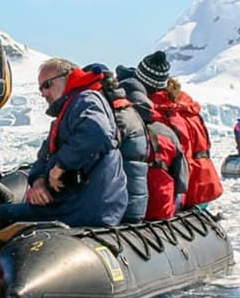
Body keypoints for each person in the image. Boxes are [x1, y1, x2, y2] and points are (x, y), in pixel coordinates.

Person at [0, 59, 128, 227]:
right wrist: (38, 181)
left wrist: (60, 166)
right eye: (40, 88)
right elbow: (43, 157)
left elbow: (97, 132)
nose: (43, 93)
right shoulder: (67, 113)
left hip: (83, 210)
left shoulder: (86, 99)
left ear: (67, 77)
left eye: (47, 84)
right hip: (70, 205)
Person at [130, 52, 223, 208]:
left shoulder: (159, 113)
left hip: (187, 190)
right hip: (205, 183)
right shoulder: (186, 107)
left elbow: (178, 157)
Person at [87, 64, 148, 223]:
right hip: (133, 206)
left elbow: (95, 155)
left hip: (119, 210)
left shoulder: (114, 118)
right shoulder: (128, 112)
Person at [120, 78, 187, 220]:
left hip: (126, 210)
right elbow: (182, 178)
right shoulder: (167, 132)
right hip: (162, 206)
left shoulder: (120, 127)